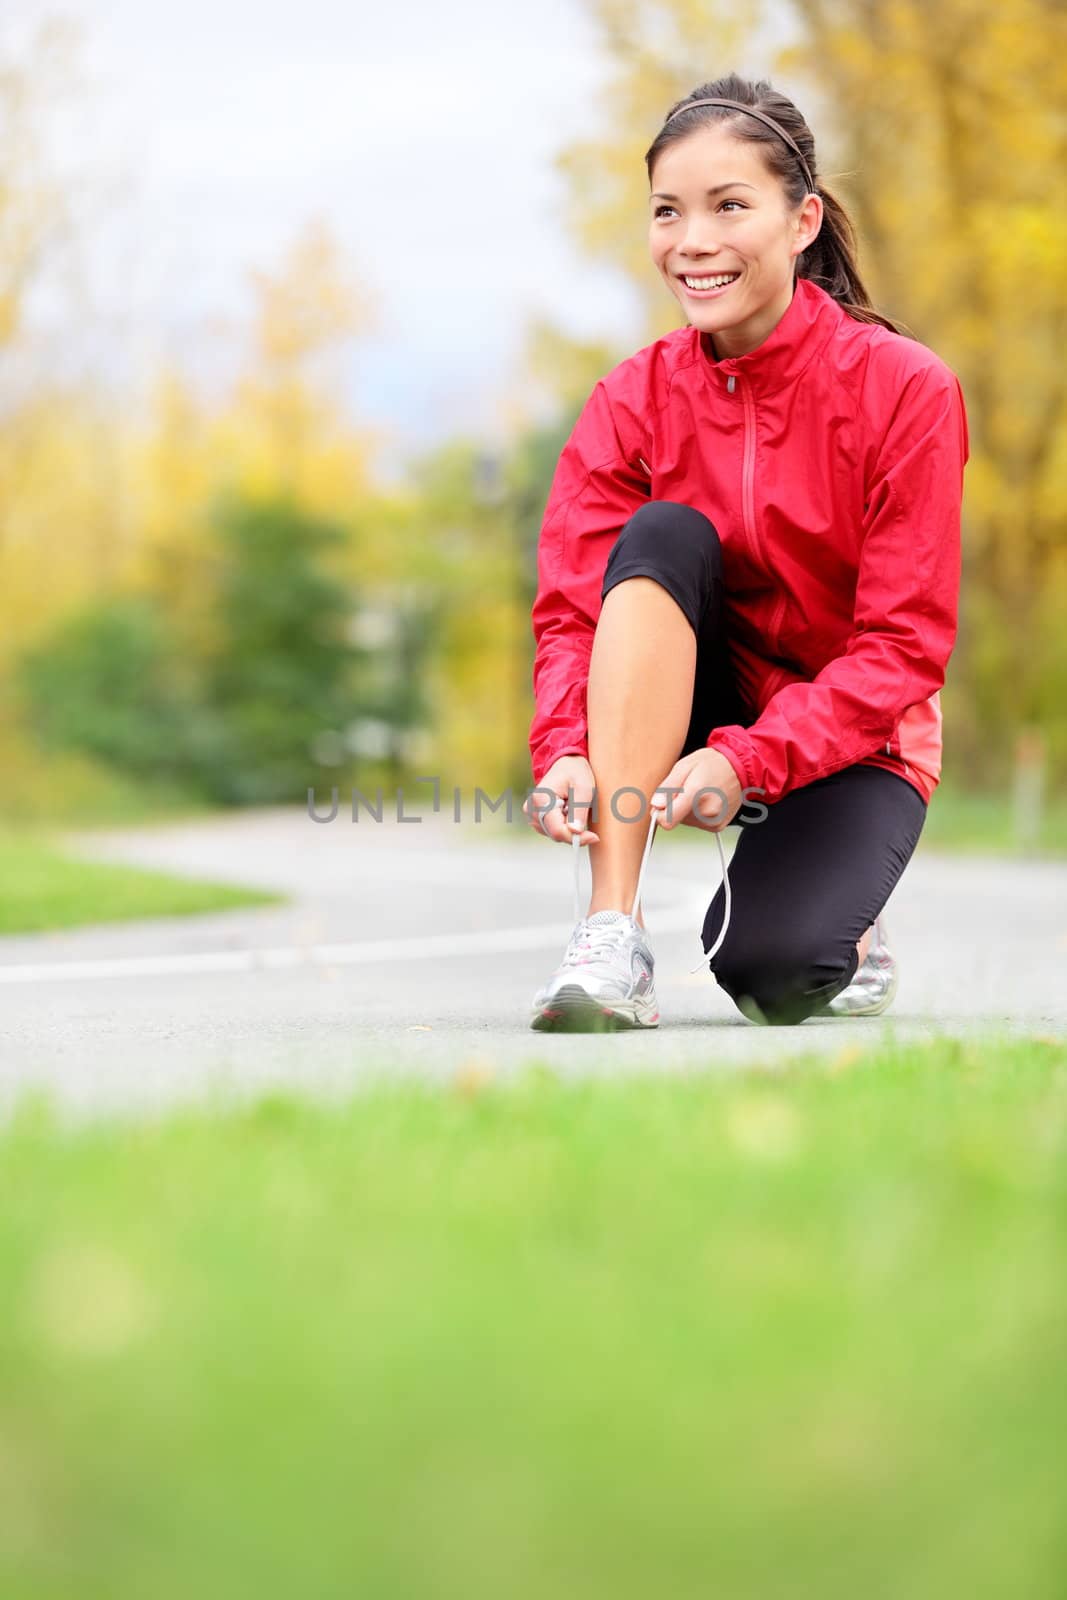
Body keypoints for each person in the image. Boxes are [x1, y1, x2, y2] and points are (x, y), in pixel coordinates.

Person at [522, 72, 970, 1030]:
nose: (693, 242)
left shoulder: (905, 389)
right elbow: (571, 608)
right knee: (661, 534)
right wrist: (562, 747)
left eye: (730, 206)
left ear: (802, 220)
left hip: (851, 735)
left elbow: (904, 646)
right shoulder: (630, 400)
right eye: (667, 212)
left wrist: (754, 761)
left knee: (773, 975)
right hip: (696, 692)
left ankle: (850, 925)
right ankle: (612, 935)